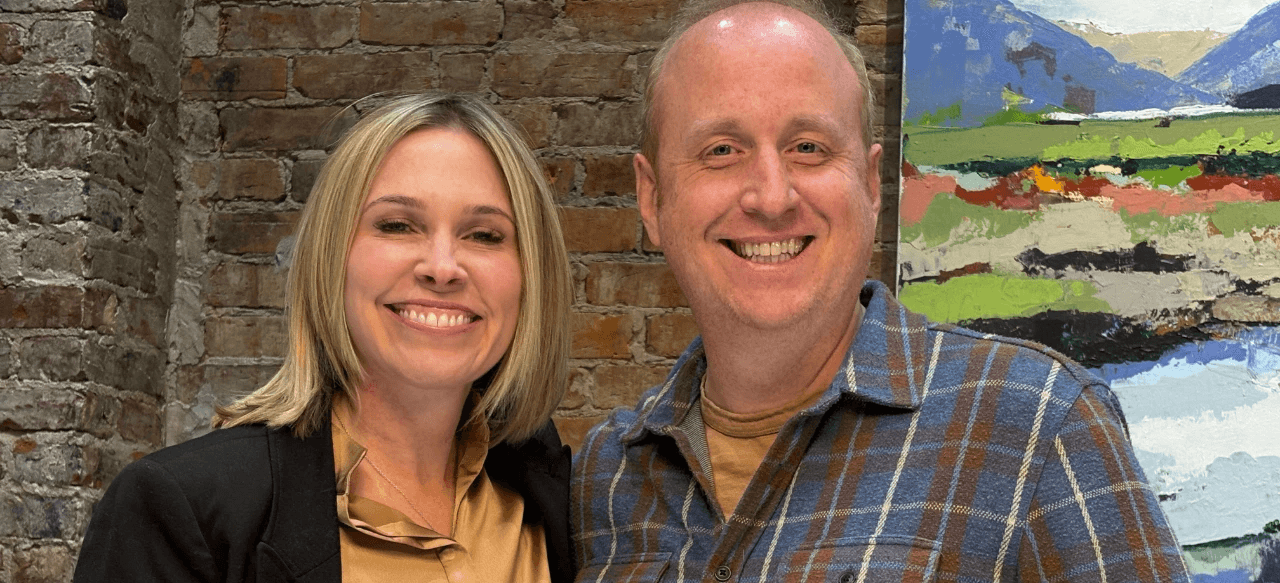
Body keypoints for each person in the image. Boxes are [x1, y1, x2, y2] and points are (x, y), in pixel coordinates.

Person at [570, 1, 1191, 581]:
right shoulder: (606, 474)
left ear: (870, 184)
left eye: (808, 147)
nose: (772, 196)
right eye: (722, 150)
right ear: (651, 198)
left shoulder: (1039, 423)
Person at [75, 93, 576, 583]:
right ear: (332, 259)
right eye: (398, 225)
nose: (442, 268)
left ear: (530, 275)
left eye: (485, 235)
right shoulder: (182, 511)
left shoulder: (564, 500)